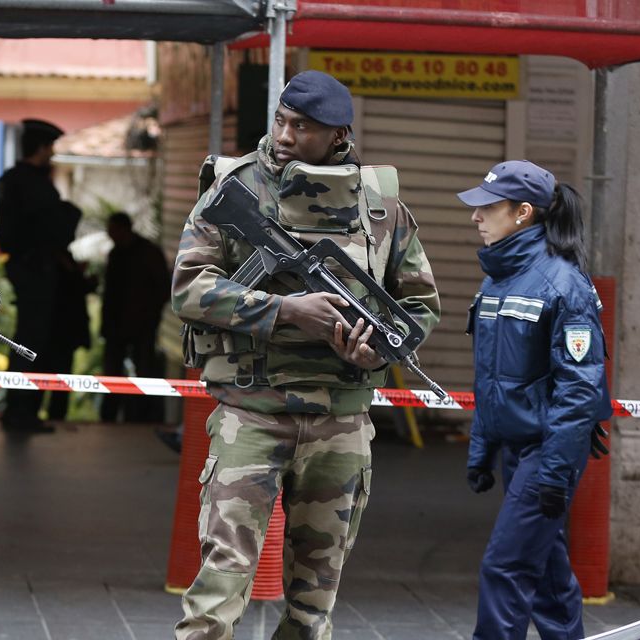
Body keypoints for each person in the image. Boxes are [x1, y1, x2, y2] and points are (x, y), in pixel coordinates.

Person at [172, 70, 440, 639]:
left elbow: (419, 306)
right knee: (219, 588)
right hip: (252, 413)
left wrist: (373, 355)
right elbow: (189, 289)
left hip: (340, 421)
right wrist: (287, 311)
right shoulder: (236, 188)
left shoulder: (379, 205)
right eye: (281, 120)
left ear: (338, 135)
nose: (286, 136)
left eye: (303, 127)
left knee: (313, 604)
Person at [458, 160, 611, 640]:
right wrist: (482, 449)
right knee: (546, 573)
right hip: (516, 448)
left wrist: (555, 473)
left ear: (523, 212)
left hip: (548, 449)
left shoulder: (564, 284)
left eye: (487, 207)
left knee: (505, 567)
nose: (475, 217)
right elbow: (490, 378)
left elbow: (579, 390)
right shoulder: (497, 280)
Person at [0, 118, 86, 433]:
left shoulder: (11, 180)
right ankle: (22, 411)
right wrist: (70, 213)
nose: (52, 155)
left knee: (29, 338)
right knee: (33, 341)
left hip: (27, 267)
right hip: (37, 270)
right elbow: (59, 230)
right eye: (50, 148)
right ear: (42, 148)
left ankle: (18, 410)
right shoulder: (34, 185)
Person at [100, 211, 170, 423]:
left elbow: (163, 288)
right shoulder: (115, 254)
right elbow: (110, 293)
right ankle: (110, 415)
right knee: (112, 371)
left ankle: (141, 416)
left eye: (113, 230)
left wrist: (149, 315)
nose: (111, 235)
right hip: (116, 325)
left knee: (144, 370)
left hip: (142, 325)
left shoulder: (148, 253)